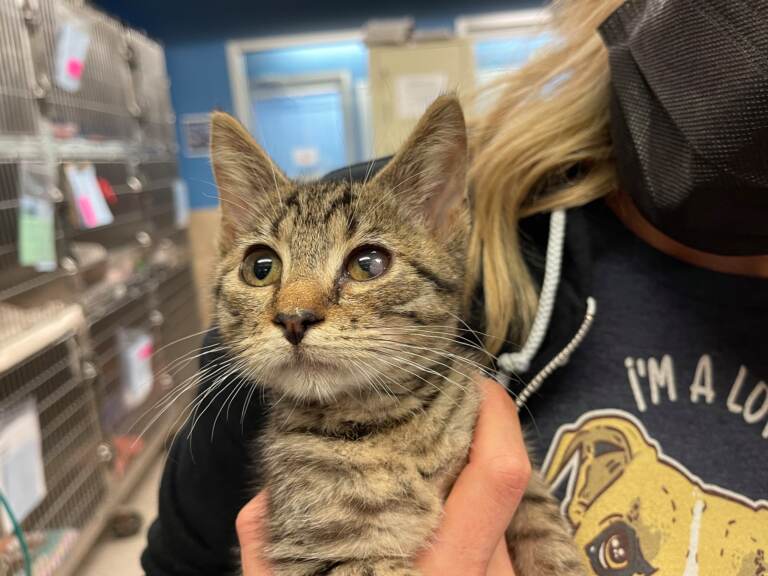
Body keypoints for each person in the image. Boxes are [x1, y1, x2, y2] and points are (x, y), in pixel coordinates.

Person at [142, 0, 768, 574]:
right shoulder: (267, 426)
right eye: (261, 268)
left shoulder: (457, 391)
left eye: (365, 264)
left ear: (443, 218)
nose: (297, 310)